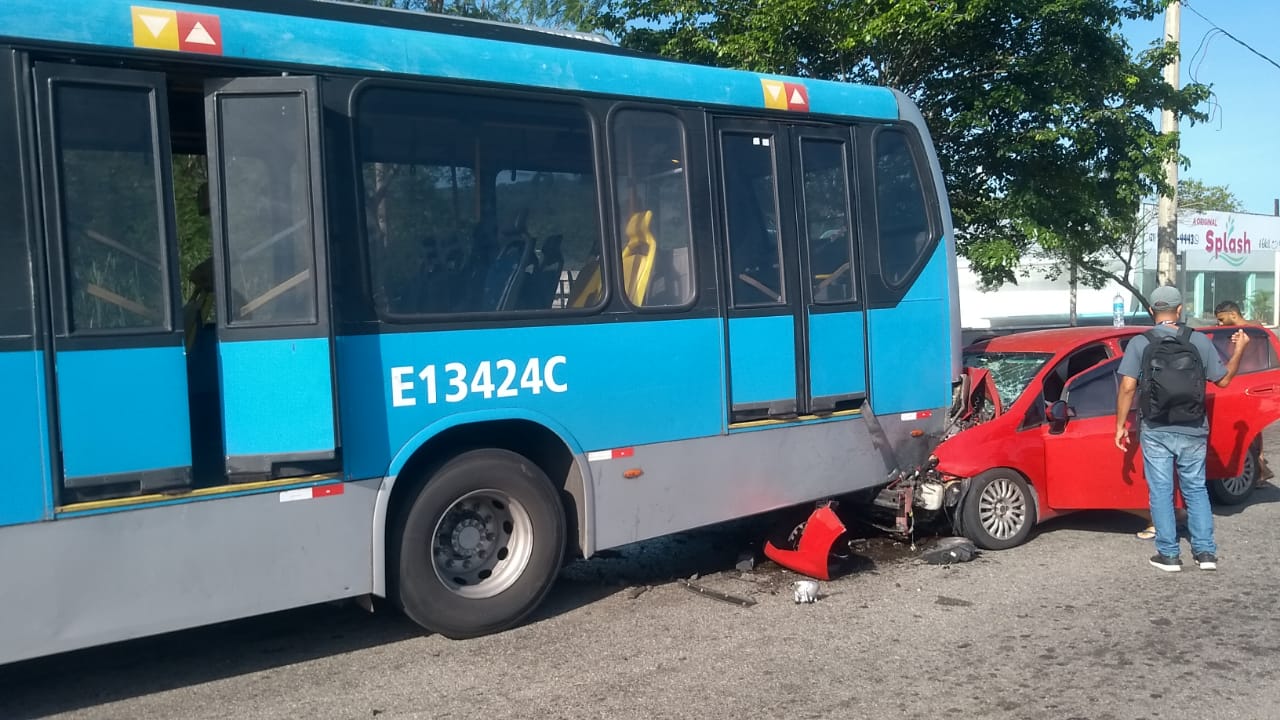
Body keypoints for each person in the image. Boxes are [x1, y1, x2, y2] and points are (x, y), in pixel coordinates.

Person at [1115, 285, 1249, 572]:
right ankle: (1205, 553)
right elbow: (1223, 381)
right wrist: (1239, 349)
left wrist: (1120, 425)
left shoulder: (1141, 343)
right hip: (1193, 425)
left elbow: (1127, 387)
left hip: (1156, 427)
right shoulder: (1198, 341)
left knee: (1161, 491)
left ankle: (1169, 554)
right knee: (1196, 488)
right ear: (1179, 310)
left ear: (1152, 311)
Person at [1215, 299, 1273, 486]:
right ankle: (1260, 465)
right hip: (1249, 384)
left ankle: (1258, 466)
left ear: (1234, 315)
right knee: (1253, 430)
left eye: (1222, 320)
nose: (1219, 324)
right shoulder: (1251, 330)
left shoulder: (1250, 332)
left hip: (1248, 385)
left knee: (1250, 429)